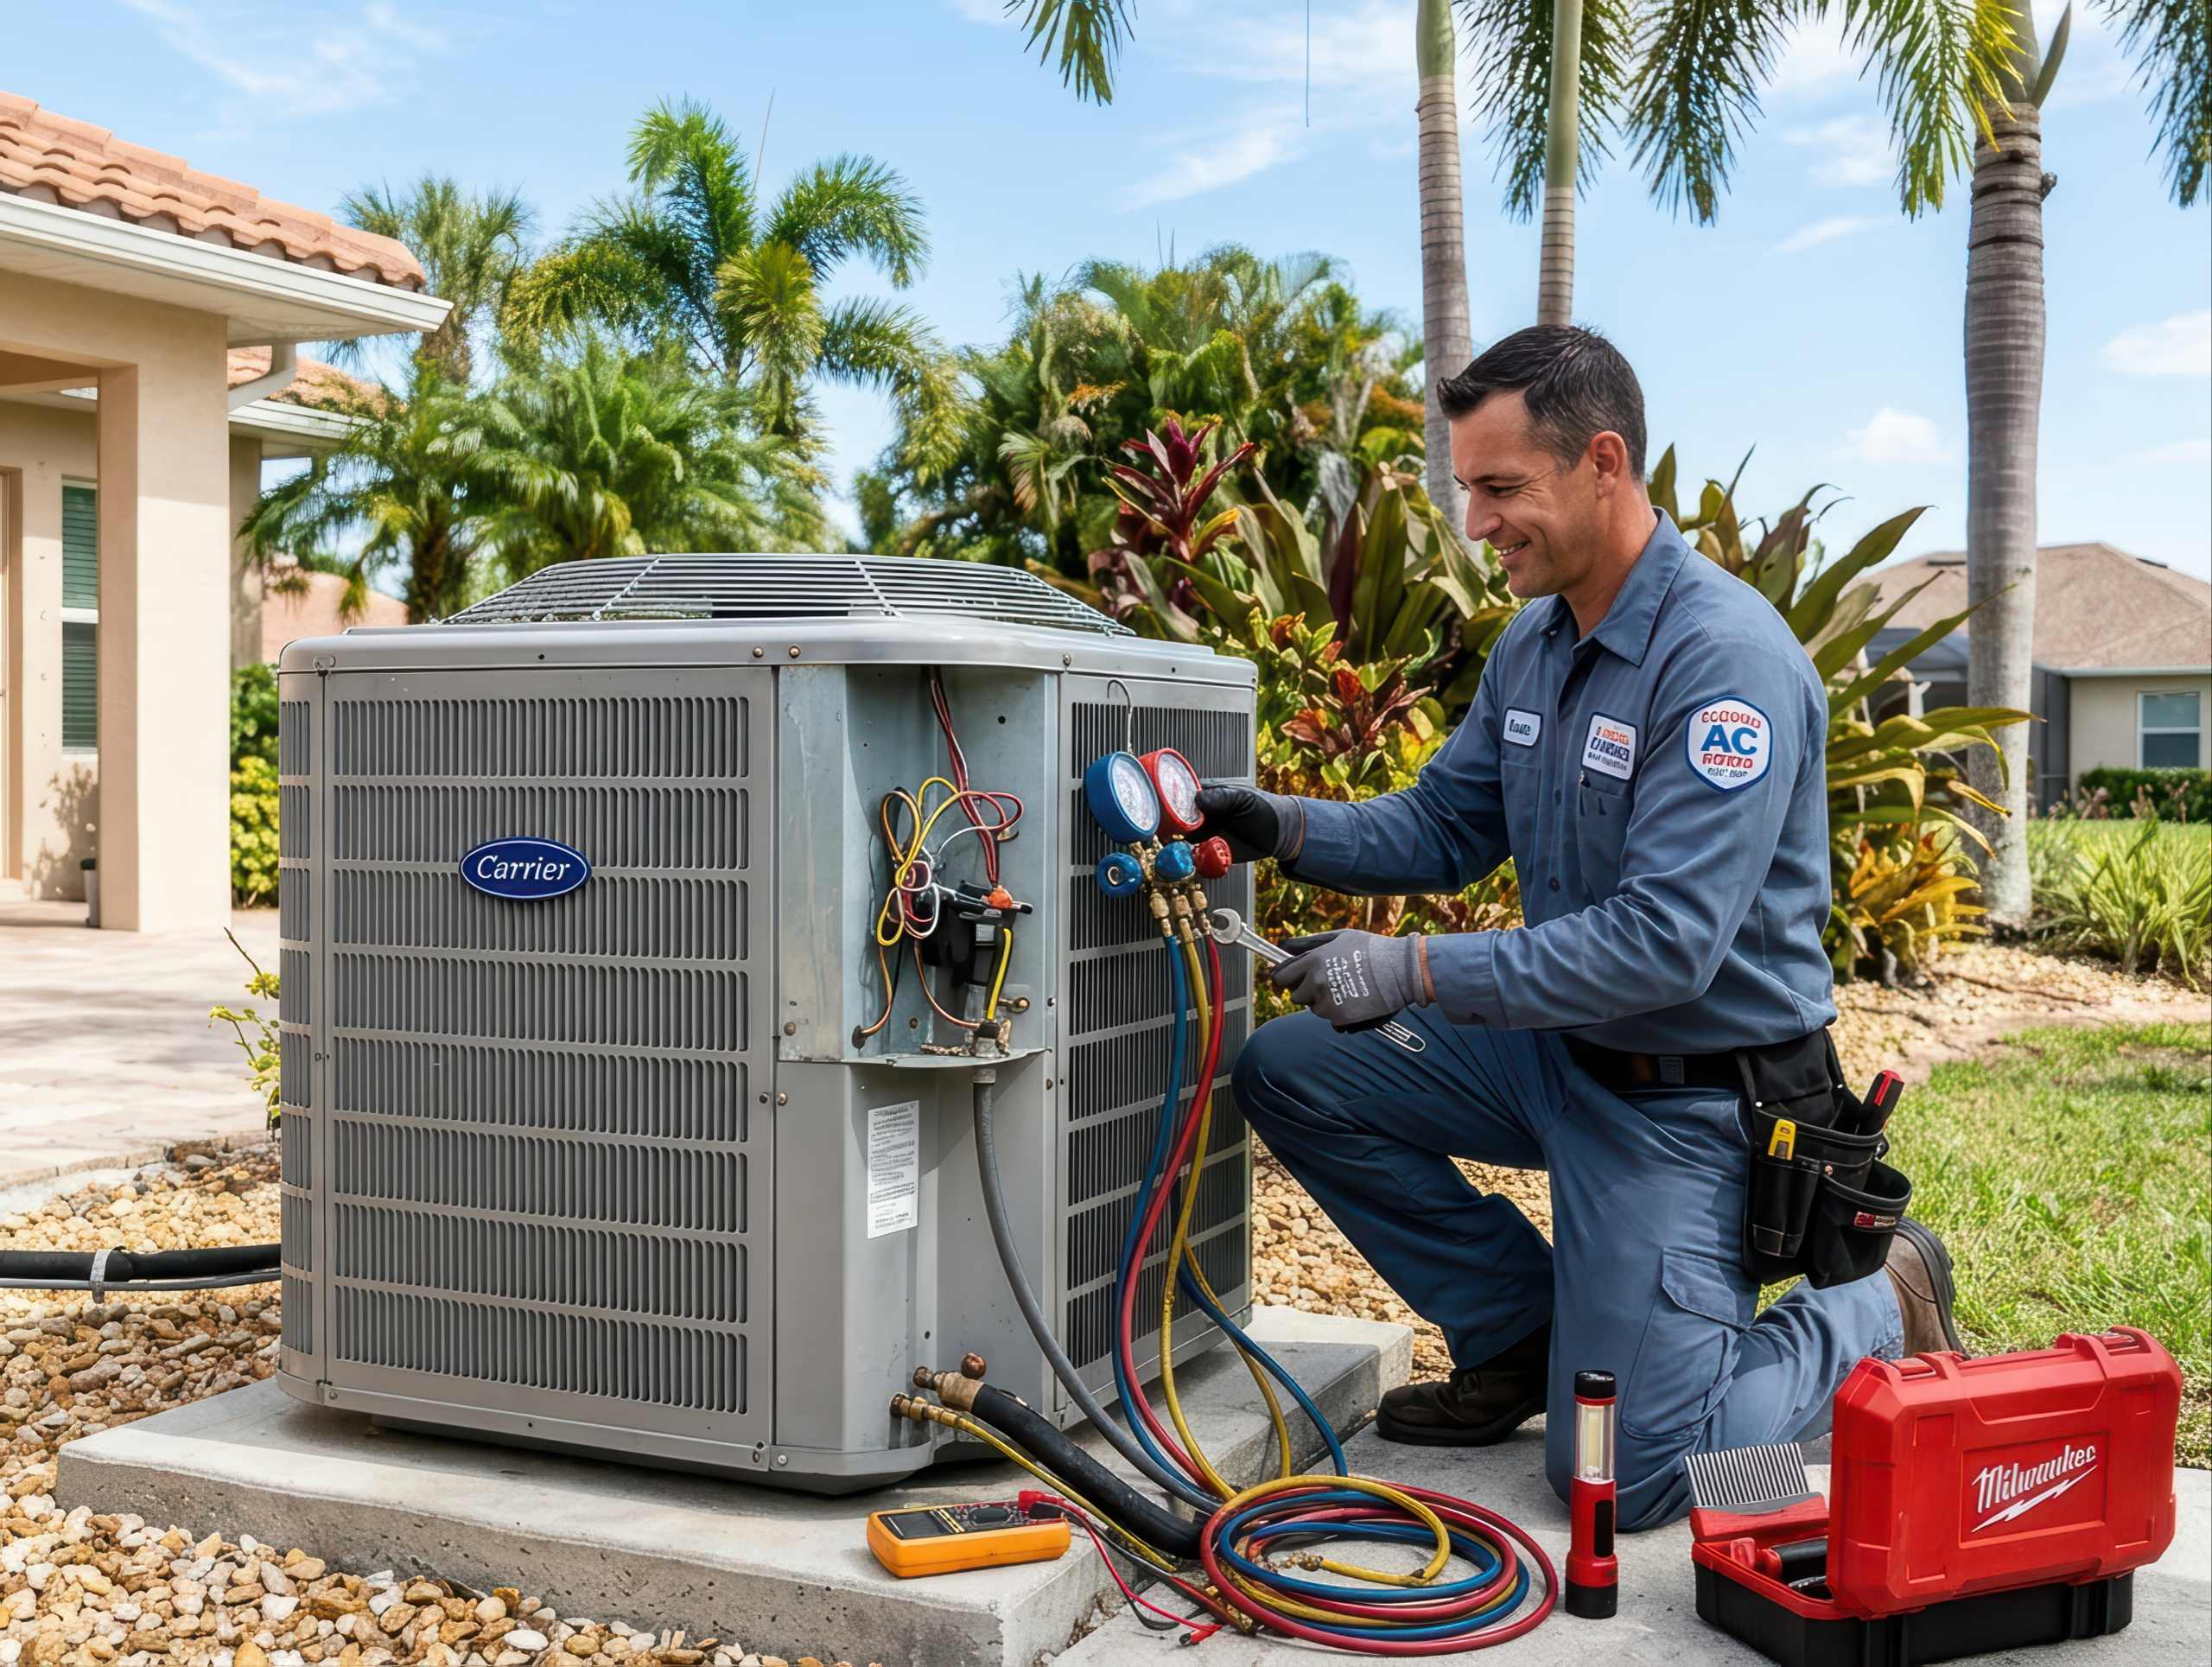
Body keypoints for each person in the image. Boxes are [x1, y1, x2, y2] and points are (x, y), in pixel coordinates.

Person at [1196, 325, 1963, 1530]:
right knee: (1291, 1069)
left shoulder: (1722, 662)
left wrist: (1408, 967)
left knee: (1632, 1482)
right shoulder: (1534, 645)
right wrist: (1281, 824)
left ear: (1604, 461)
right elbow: (1446, 826)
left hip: (1691, 1103)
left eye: (1502, 487)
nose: (1477, 521)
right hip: (1559, 1053)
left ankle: (1880, 1300)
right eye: (1468, 487)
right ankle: (1525, 1330)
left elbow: (1666, 943)